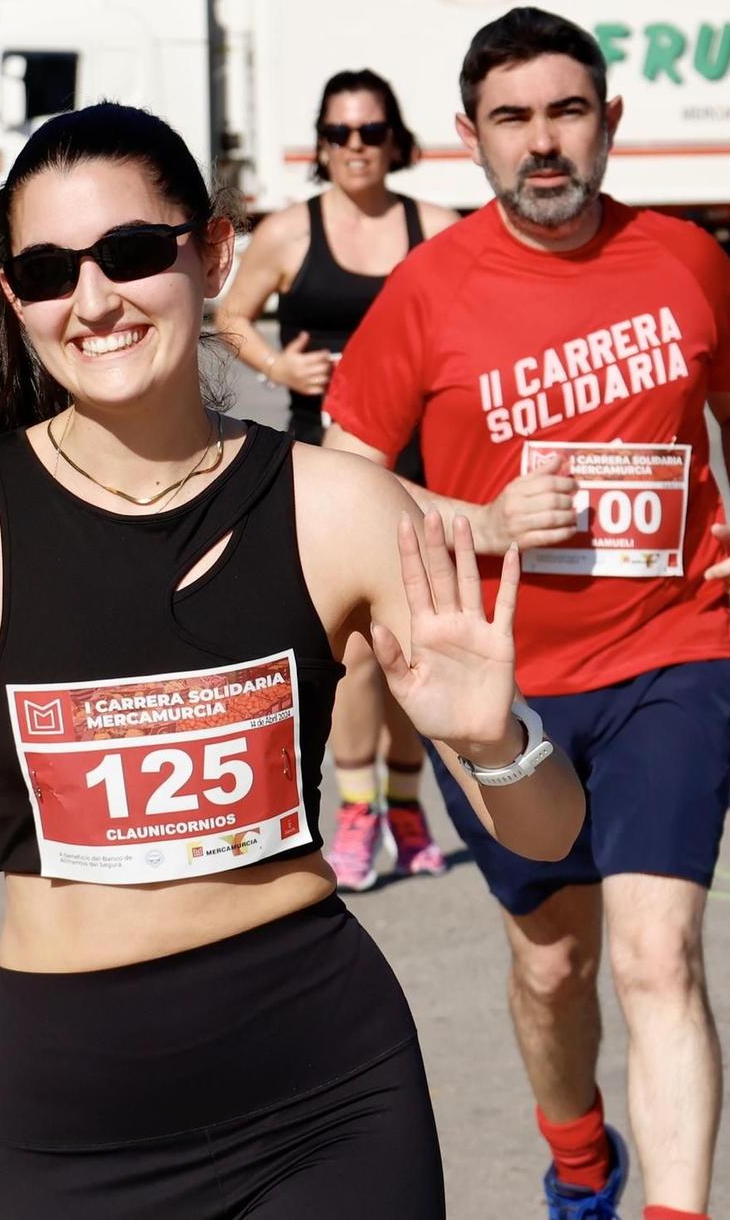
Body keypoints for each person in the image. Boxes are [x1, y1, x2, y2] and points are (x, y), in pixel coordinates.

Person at [0, 102, 587, 1217]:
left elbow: (547, 833)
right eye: (45, 270)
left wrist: (490, 741)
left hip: (324, 1084)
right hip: (75, 1118)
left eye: (129, 254)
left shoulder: (338, 506)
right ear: (12, 295)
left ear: (211, 253)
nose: (92, 302)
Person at [322, 7, 730, 1220]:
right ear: (469, 139)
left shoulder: (682, 258)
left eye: (566, 112)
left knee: (654, 955)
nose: (543, 143)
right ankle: (577, 1155)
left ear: (608, 122)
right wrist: (479, 523)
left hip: (668, 654)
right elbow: (339, 472)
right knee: (553, 960)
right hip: (496, 684)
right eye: (513, 119)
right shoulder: (429, 289)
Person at [218, 69, 461, 892]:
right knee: (354, 654)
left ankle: (405, 805)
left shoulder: (439, 228)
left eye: (369, 130)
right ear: (322, 146)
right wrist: (279, 364)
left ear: (395, 138)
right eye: (339, 134)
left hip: (427, 471)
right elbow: (230, 316)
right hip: (324, 468)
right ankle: (355, 810)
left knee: (416, 648)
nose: (355, 147)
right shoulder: (291, 231)